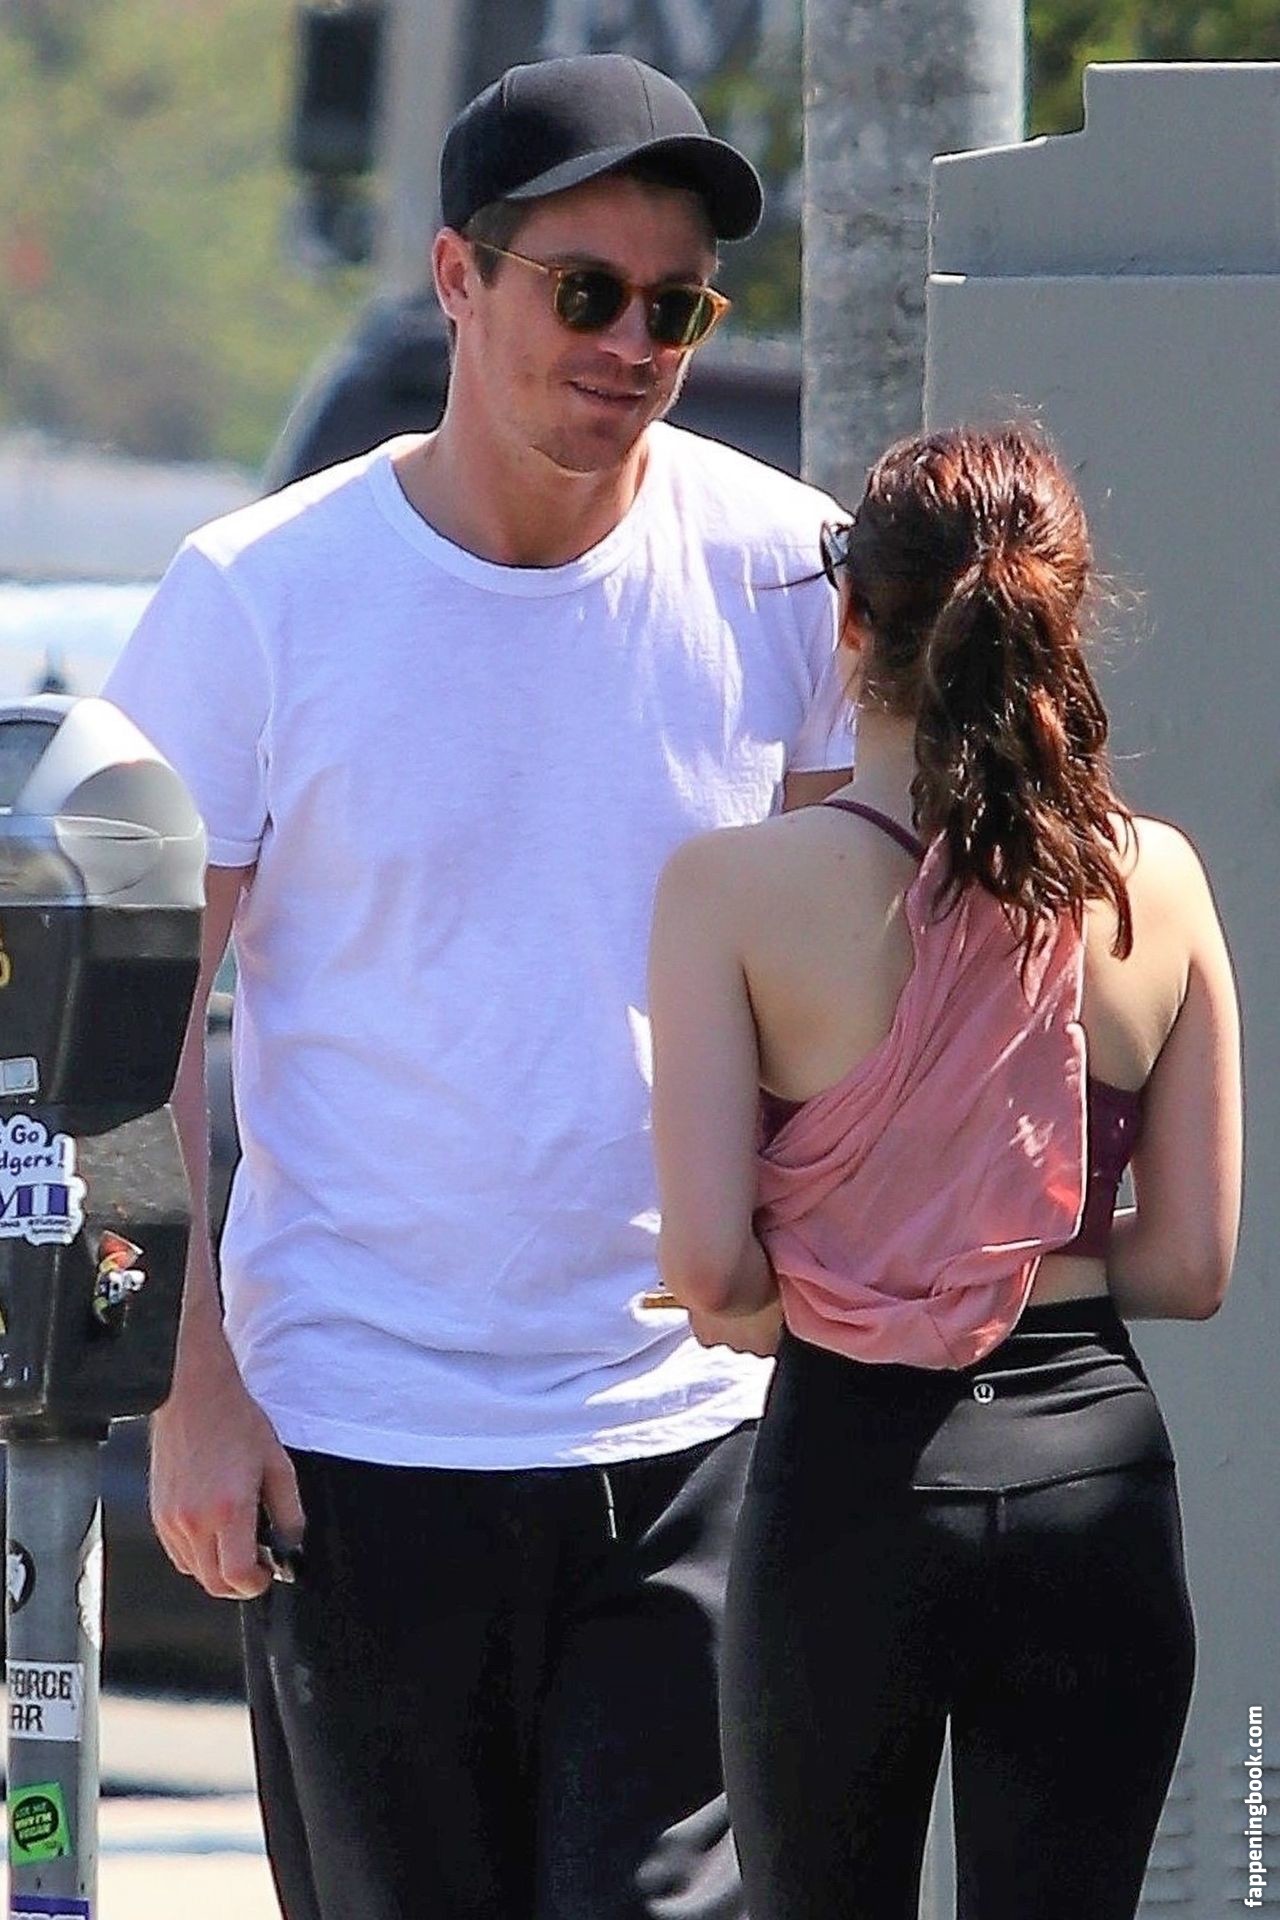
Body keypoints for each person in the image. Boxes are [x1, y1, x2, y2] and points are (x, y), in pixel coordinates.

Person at [104, 51, 852, 1920]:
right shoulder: (258, 596)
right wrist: (191, 1387)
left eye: (677, 309)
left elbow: (857, 976)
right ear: (457, 276)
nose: (634, 346)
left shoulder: (785, 572)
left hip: (690, 1426)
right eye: (586, 293)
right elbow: (127, 1033)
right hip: (359, 1439)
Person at [647, 424, 1243, 1920]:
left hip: (851, 1477)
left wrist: (843, 1282)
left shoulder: (731, 890)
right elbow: (1190, 1266)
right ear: (1065, 613)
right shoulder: (1156, 880)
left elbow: (710, 1269)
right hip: (1096, 1475)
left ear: (851, 616)